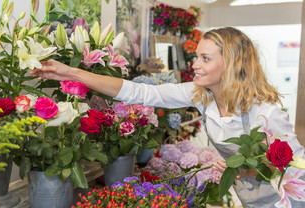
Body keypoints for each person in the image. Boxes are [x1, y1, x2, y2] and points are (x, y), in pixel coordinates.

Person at [31, 27, 305, 207]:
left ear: (231, 63)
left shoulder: (264, 112)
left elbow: (298, 170)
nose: (195, 64)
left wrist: (244, 169)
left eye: (205, 58)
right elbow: (138, 92)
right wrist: (71, 73)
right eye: (196, 56)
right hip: (250, 200)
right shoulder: (201, 95)